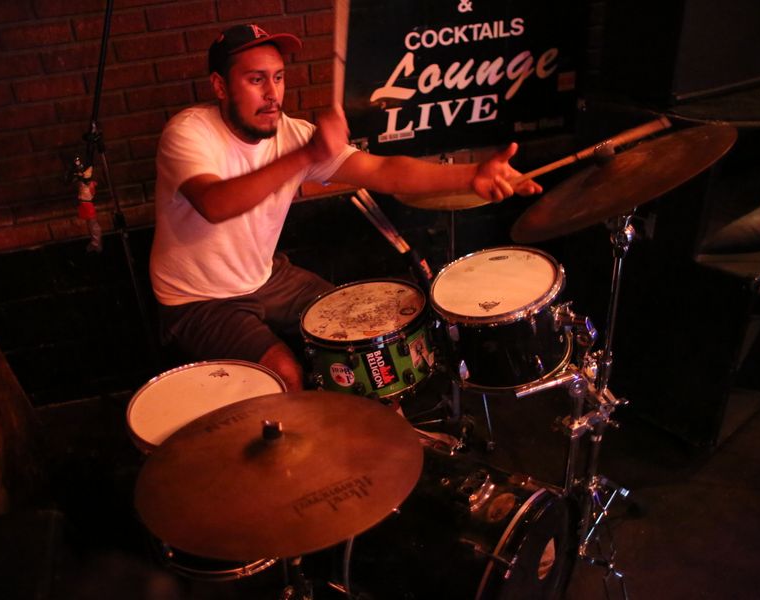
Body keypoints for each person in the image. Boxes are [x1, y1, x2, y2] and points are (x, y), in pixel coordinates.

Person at [149, 23, 542, 392]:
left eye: (278, 77)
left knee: (355, 328)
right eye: (256, 80)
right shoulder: (189, 133)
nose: (272, 93)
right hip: (197, 298)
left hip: (265, 278)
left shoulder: (293, 135)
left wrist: (472, 175)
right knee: (285, 373)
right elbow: (215, 204)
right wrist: (308, 155)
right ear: (220, 86)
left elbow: (384, 171)